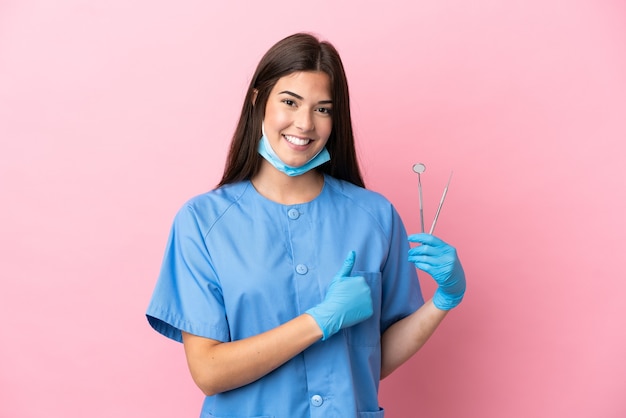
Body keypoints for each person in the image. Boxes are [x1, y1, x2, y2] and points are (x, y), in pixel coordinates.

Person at [146, 32, 466, 418]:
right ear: (257, 101)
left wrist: (443, 301)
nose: (304, 123)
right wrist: (320, 319)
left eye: (323, 109)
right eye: (289, 102)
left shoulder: (374, 216)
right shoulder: (202, 223)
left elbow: (371, 360)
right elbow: (209, 372)